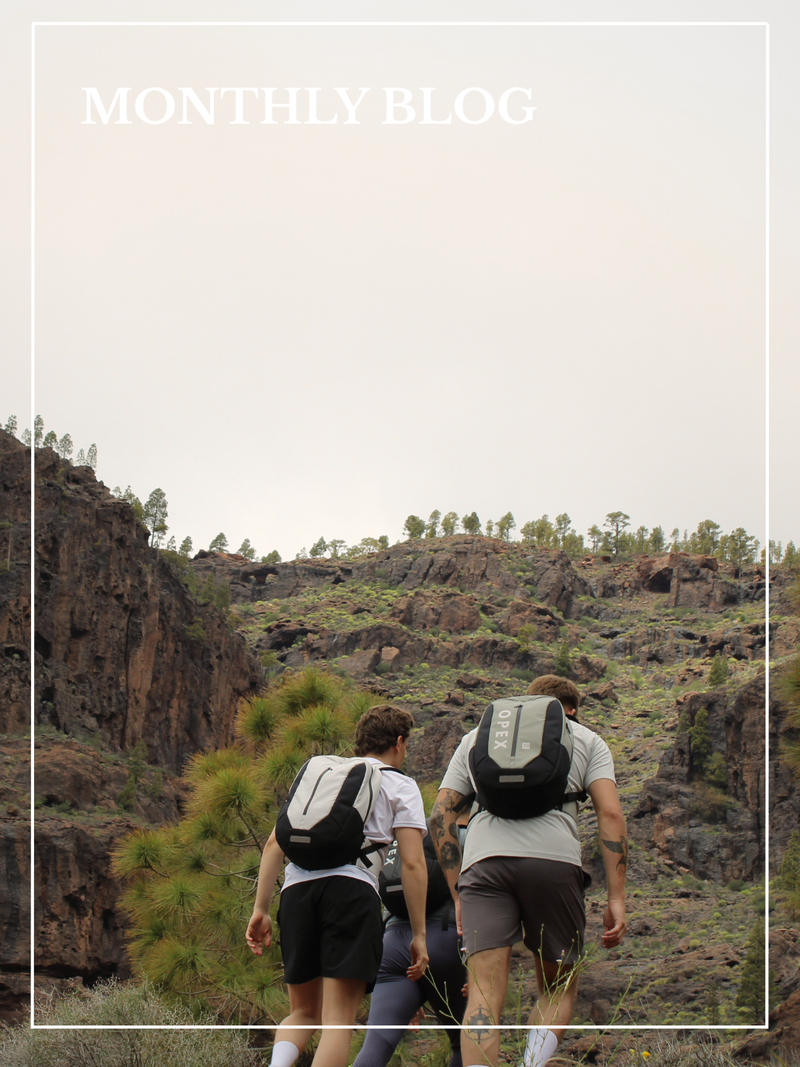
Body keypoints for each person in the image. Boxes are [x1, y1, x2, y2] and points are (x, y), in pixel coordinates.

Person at [430, 675, 627, 1067]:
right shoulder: (587, 740)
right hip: (554, 863)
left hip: (484, 864)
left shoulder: (477, 739)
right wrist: (617, 899)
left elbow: (440, 817)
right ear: (570, 710)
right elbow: (610, 814)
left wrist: (457, 893)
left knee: (483, 994)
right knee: (557, 987)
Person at [246, 704, 430, 1067]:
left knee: (302, 1012)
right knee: (337, 1021)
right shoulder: (400, 785)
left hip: (296, 893)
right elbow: (412, 863)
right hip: (351, 893)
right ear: (399, 743)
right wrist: (419, 933)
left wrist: (261, 909)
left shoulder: (323, 778)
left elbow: (273, 844)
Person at [353, 820, 468, 1067]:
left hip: (393, 945)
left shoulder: (401, 841)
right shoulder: (462, 835)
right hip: (444, 939)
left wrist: (412, 994)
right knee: (466, 1044)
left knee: (377, 1044)